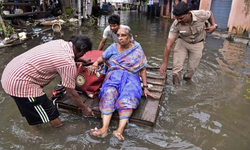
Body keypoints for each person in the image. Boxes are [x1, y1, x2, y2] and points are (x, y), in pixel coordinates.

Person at [1, 35, 94, 129]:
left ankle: (36, 130)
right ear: (82, 50)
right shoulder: (67, 63)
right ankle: (58, 134)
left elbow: (60, 57)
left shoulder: (60, 43)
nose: (83, 55)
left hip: (11, 72)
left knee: (31, 110)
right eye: (83, 54)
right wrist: (84, 108)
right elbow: (71, 93)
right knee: (51, 113)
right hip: (20, 82)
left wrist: (81, 60)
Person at [89, 27, 156, 140]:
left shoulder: (137, 48)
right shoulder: (113, 47)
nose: (120, 38)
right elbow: (102, 57)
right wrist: (95, 63)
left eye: (123, 35)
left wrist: (145, 87)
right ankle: (104, 128)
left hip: (131, 78)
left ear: (130, 37)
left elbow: (142, 70)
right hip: (114, 76)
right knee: (109, 93)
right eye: (118, 35)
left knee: (129, 96)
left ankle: (119, 130)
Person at [159, 2, 217, 85]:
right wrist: (164, 63)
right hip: (182, 42)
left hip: (198, 44)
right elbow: (168, 45)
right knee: (176, 70)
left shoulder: (200, 14)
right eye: (177, 18)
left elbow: (210, 14)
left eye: (181, 18)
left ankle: (186, 82)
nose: (179, 20)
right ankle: (177, 88)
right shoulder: (175, 25)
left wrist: (214, 25)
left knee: (191, 70)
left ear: (188, 14)